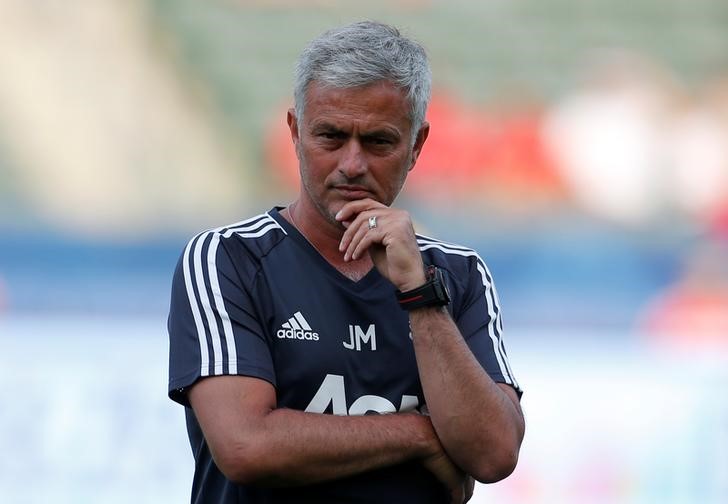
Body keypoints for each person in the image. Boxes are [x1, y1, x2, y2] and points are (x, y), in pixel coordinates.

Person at [167, 21, 525, 504]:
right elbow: (246, 446)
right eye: (331, 137)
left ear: (417, 146)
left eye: (378, 142)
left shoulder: (458, 275)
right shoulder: (228, 259)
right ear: (294, 132)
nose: (352, 164)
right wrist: (422, 434)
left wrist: (420, 297)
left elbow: (493, 454)